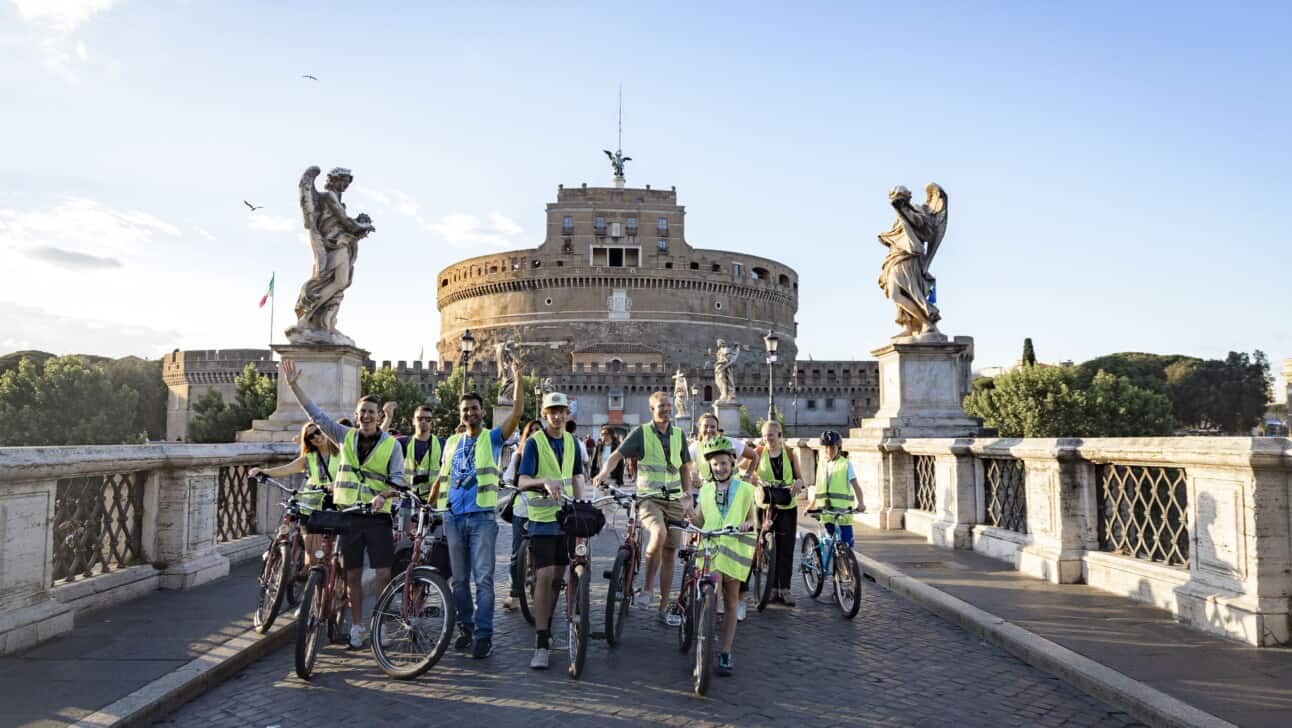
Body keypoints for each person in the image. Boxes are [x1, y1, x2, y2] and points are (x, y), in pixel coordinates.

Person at [280, 360, 405, 649]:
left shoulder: (392, 445)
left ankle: (381, 622)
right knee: (352, 575)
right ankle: (358, 626)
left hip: (377, 516)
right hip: (348, 514)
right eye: (362, 411)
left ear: (378, 416)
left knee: (384, 573)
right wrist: (294, 386)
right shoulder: (344, 436)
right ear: (356, 414)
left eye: (371, 412)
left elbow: (399, 480)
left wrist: (383, 495)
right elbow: (317, 416)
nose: (366, 416)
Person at [428, 357, 525, 659]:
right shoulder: (451, 442)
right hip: (453, 517)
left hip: (482, 517)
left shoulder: (493, 437)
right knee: (459, 580)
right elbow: (443, 475)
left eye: (474, 408)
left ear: (482, 413)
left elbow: (517, 413)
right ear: (461, 414)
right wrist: (428, 504)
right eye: (465, 409)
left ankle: (484, 634)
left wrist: (518, 379)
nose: (469, 413)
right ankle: (465, 628)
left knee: (482, 579)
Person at [592, 391, 696, 625]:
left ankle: (662, 607)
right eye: (661, 406)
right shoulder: (641, 433)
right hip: (650, 498)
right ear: (652, 409)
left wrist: (687, 492)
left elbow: (683, 468)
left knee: (670, 552)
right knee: (658, 533)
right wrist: (603, 473)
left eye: (669, 405)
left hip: (675, 500)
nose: (667, 409)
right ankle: (648, 588)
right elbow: (617, 455)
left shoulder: (679, 434)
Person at [517, 392, 586, 669]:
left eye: (562, 411)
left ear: (567, 414)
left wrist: (583, 506)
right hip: (542, 518)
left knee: (559, 576)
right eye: (552, 411)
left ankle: (546, 623)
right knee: (545, 576)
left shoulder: (572, 441)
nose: (557, 416)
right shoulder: (534, 443)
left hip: (566, 519)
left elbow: (577, 476)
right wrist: (543, 481)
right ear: (545, 414)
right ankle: (541, 641)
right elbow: (522, 481)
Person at [692, 436, 757, 676]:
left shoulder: (746, 490)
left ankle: (726, 650)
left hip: (734, 553)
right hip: (710, 552)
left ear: (733, 462)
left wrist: (746, 525)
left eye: (724, 463)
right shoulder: (706, 490)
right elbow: (698, 520)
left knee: (731, 603)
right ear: (710, 465)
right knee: (710, 596)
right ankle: (703, 639)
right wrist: (688, 508)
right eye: (715, 464)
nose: (720, 468)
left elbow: (752, 518)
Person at [690, 412, 758, 621]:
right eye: (706, 426)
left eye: (713, 426)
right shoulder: (694, 449)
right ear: (699, 429)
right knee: (705, 548)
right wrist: (690, 478)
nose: (709, 430)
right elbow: (682, 465)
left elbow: (754, 455)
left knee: (738, 554)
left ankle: (740, 599)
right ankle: (714, 598)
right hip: (709, 495)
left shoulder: (729, 443)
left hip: (735, 496)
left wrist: (747, 476)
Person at [248, 421, 338, 569]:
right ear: (308, 441)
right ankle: (311, 587)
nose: (316, 437)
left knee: (328, 557)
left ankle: (327, 589)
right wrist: (263, 471)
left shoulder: (341, 453)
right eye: (310, 436)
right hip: (309, 508)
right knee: (312, 557)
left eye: (318, 432)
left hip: (333, 506)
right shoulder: (308, 458)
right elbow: (286, 469)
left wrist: (338, 484)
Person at [746, 421, 803, 605]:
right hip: (764, 503)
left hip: (786, 504)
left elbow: (800, 478)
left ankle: (784, 589)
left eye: (771, 434)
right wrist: (750, 476)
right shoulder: (759, 452)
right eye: (765, 435)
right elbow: (741, 468)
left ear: (779, 434)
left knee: (786, 548)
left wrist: (798, 484)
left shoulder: (789, 453)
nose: (767, 438)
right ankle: (769, 587)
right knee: (762, 543)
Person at [501, 418, 543, 611]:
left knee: (542, 553)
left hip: (544, 510)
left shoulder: (548, 453)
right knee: (517, 553)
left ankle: (539, 589)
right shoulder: (518, 455)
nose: (535, 433)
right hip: (522, 509)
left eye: (538, 430)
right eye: (532, 430)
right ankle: (515, 594)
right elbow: (508, 477)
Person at [815, 431, 866, 548]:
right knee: (830, 546)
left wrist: (861, 503)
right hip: (827, 514)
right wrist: (811, 505)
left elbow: (856, 485)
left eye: (832, 447)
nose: (828, 450)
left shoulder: (846, 464)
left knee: (846, 546)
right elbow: (820, 489)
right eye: (826, 447)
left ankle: (845, 566)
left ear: (839, 447)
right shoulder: (822, 464)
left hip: (843, 515)